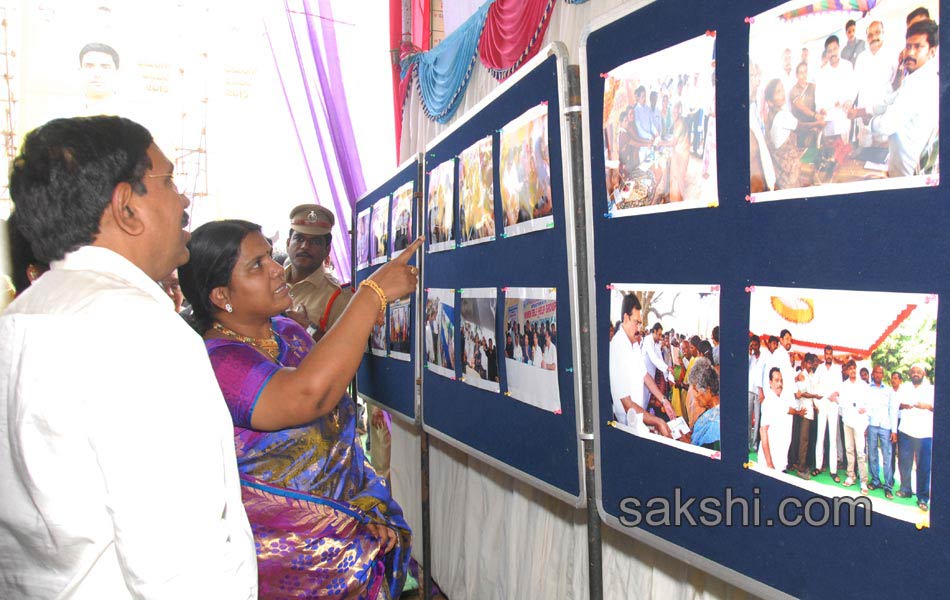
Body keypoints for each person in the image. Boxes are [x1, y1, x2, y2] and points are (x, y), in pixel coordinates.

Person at [0, 116, 256, 596]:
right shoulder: (139, 332)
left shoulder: (20, 320)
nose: (183, 201)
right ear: (126, 207)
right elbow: (178, 567)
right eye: (169, 180)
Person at [179, 219, 421, 597]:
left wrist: (367, 505)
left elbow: (339, 434)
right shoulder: (220, 363)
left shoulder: (287, 333)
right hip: (286, 566)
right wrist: (372, 293)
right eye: (257, 265)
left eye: (269, 257)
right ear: (221, 295)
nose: (277, 268)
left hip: (350, 543)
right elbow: (310, 397)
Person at [860, 20, 939, 177]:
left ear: (932, 51)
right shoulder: (916, 77)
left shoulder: (919, 83)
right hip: (901, 164)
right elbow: (891, 99)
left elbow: (887, 124)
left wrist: (869, 122)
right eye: (909, 46)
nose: (910, 52)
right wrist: (865, 110)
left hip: (908, 173)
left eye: (918, 47)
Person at [609, 293, 671, 437]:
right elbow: (626, 403)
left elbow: (645, 376)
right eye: (636, 322)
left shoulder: (634, 344)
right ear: (625, 318)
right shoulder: (617, 347)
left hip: (639, 416)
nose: (638, 328)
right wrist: (657, 421)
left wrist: (664, 400)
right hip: (627, 423)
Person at [896, 363, 934, 511]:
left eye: (919, 372)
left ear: (923, 374)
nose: (916, 374)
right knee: (905, 462)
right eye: (913, 372)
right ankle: (905, 490)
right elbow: (897, 405)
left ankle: (923, 497)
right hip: (906, 430)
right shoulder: (904, 387)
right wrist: (904, 405)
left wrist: (926, 406)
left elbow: (936, 407)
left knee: (923, 466)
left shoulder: (930, 389)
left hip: (924, 433)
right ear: (910, 374)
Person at [831, 360, 870, 494]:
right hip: (847, 421)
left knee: (860, 452)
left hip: (859, 423)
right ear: (847, 371)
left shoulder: (863, 385)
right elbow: (838, 400)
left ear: (856, 370)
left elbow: (868, 405)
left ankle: (863, 481)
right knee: (849, 450)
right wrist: (835, 397)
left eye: (854, 368)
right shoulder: (843, 386)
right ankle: (850, 476)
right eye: (850, 369)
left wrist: (864, 411)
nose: (852, 371)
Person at [866, 364, 897, 498]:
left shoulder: (889, 391)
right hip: (871, 425)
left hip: (885, 426)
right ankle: (875, 480)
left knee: (887, 456)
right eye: (876, 372)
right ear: (873, 374)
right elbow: (865, 407)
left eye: (880, 373)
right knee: (872, 454)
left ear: (883, 375)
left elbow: (893, 411)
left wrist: (894, 431)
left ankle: (888, 486)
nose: (878, 375)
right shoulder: (868, 389)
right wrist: (865, 426)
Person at [688, 357, 720, 450]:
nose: (696, 396)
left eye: (697, 391)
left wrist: (687, 445)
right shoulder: (708, 413)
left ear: (708, 389)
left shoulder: (716, 424)